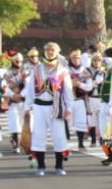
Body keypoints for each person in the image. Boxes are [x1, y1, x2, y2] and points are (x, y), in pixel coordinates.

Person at [22, 42, 76, 175]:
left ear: (57, 52)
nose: (50, 52)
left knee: (59, 136)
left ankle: (59, 166)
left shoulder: (63, 70)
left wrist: (69, 108)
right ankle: (41, 166)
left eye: (53, 50)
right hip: (39, 106)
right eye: (48, 49)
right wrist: (27, 107)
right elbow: (30, 90)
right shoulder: (37, 69)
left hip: (55, 106)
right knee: (38, 136)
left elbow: (68, 91)